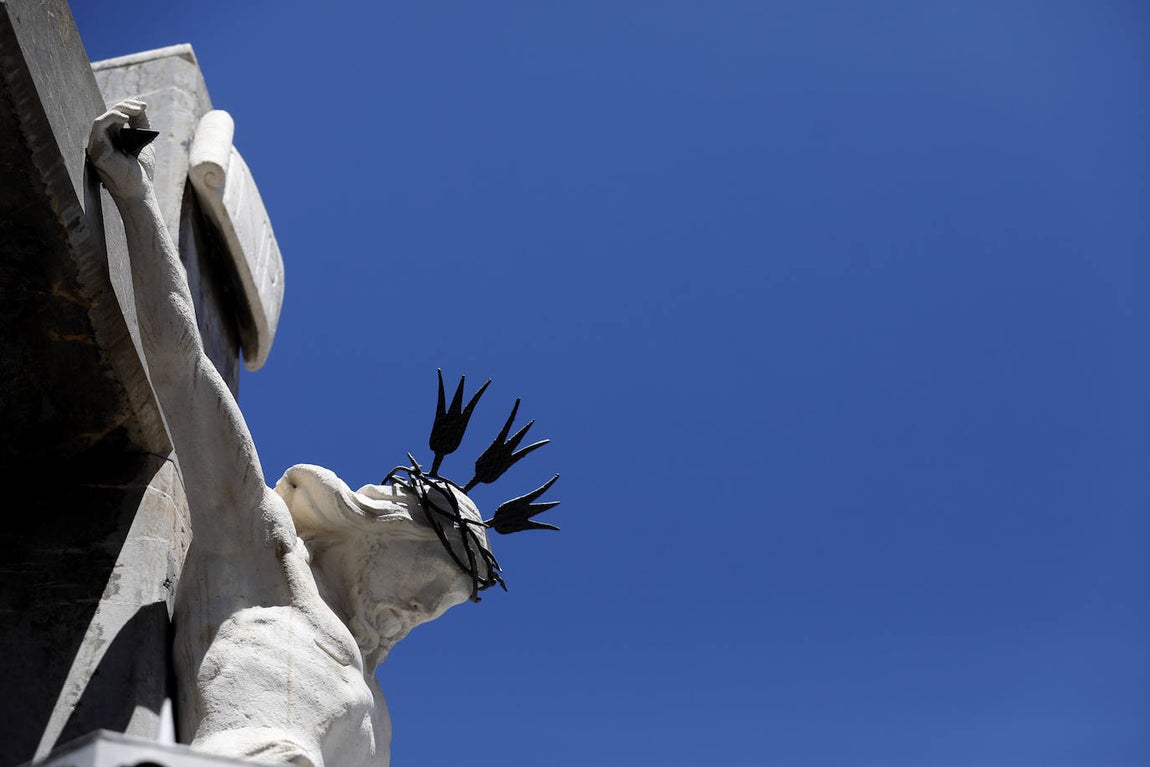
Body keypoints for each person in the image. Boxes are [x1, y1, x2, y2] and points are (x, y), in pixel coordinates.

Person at [88, 99, 489, 767]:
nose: (417, 611)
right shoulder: (262, 552)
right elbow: (182, 369)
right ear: (384, 526)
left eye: (435, 610)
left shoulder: (377, 712)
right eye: (427, 583)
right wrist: (133, 194)